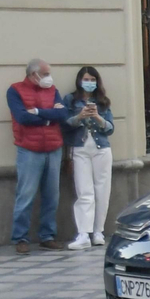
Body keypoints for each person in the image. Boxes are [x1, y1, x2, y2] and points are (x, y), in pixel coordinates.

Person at [6, 58, 72, 253]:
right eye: (45, 74)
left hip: (53, 148)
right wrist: (48, 116)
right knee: (25, 195)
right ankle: (20, 238)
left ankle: (47, 236)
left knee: (52, 195)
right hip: (29, 149)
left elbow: (63, 114)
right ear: (33, 74)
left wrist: (38, 113)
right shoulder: (15, 91)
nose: (48, 78)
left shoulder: (53, 91)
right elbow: (22, 117)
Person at [64, 66, 115, 249]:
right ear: (79, 80)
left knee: (102, 190)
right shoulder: (71, 100)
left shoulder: (102, 101)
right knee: (84, 191)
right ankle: (83, 234)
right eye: (86, 79)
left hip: (102, 149)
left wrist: (98, 118)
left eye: (93, 80)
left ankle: (98, 232)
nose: (90, 83)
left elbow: (110, 128)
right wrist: (80, 116)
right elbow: (66, 124)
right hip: (80, 148)